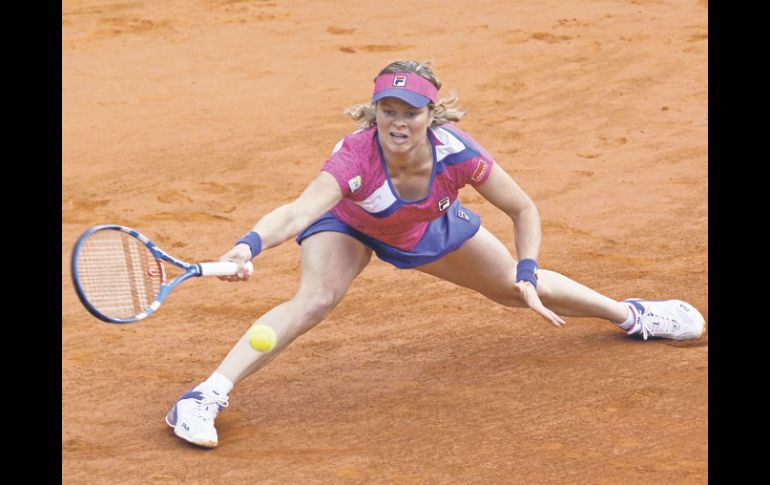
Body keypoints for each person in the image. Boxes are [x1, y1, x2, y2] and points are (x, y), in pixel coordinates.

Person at [165, 60, 705, 448]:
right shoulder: (358, 154)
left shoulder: (460, 156)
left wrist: (527, 270)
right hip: (348, 225)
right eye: (388, 110)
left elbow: (523, 210)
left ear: (434, 113)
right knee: (315, 299)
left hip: (422, 225)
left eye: (412, 112)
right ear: (374, 111)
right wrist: (247, 245)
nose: (398, 123)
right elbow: (298, 212)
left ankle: (634, 315)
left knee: (515, 292)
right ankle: (202, 396)